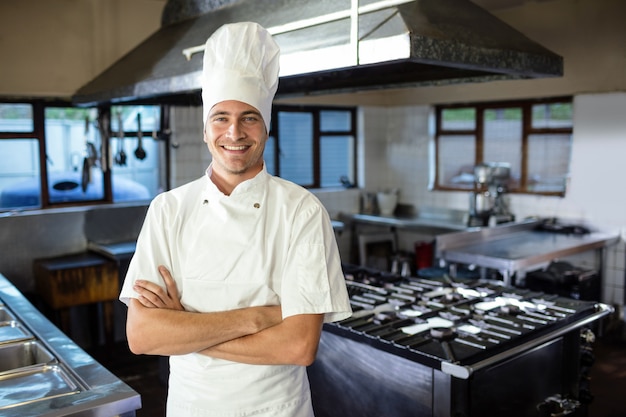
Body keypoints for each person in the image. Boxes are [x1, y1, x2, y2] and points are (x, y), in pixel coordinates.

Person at [119, 21, 352, 417]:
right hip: (193, 407)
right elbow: (142, 336)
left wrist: (183, 328)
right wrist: (259, 317)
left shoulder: (302, 211)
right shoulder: (169, 209)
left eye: (249, 117)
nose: (235, 132)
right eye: (221, 117)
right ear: (206, 129)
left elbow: (298, 346)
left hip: (277, 410)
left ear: (266, 127)